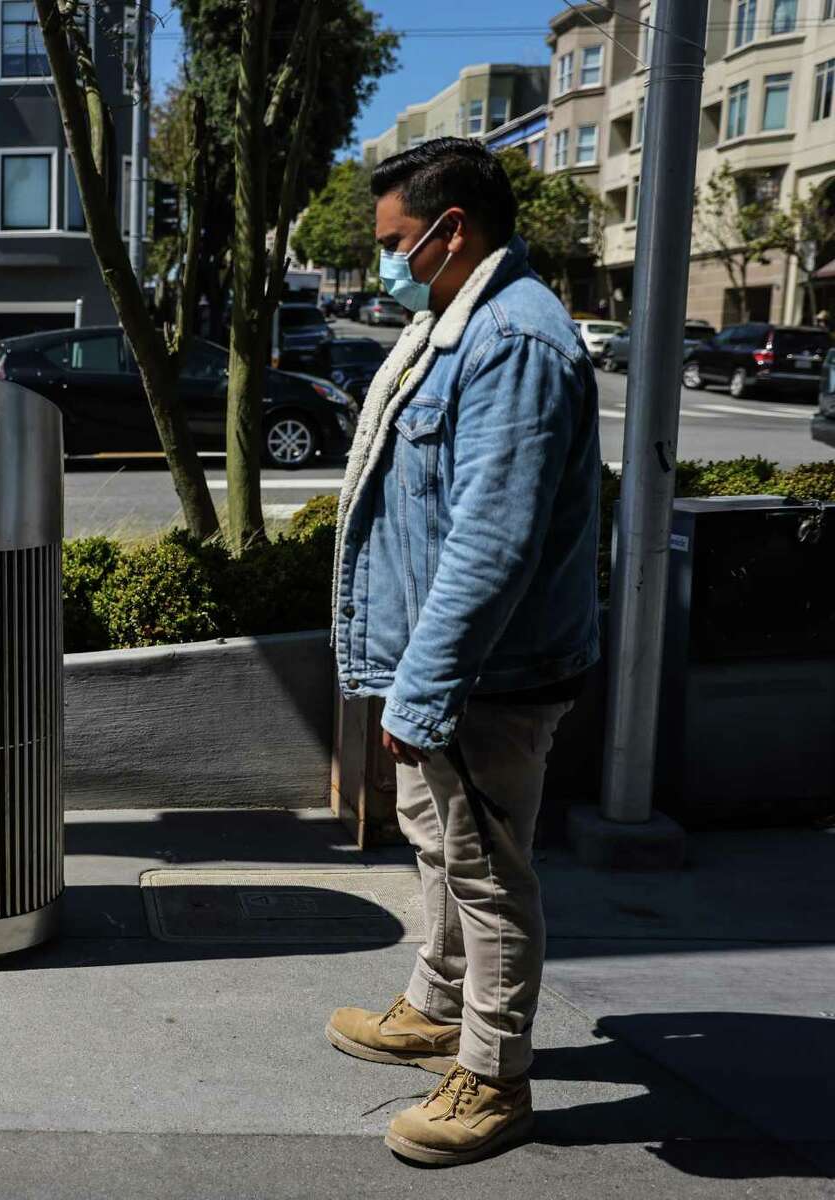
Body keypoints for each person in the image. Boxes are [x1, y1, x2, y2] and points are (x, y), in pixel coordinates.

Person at [322, 138, 600, 1167]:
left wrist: (425, 687)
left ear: (452, 230)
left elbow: (494, 536)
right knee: (440, 844)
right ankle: (439, 1009)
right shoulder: (455, 317)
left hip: (489, 673)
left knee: (486, 871)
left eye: (396, 243)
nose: (386, 261)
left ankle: (491, 1076)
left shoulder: (513, 339)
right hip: (439, 665)